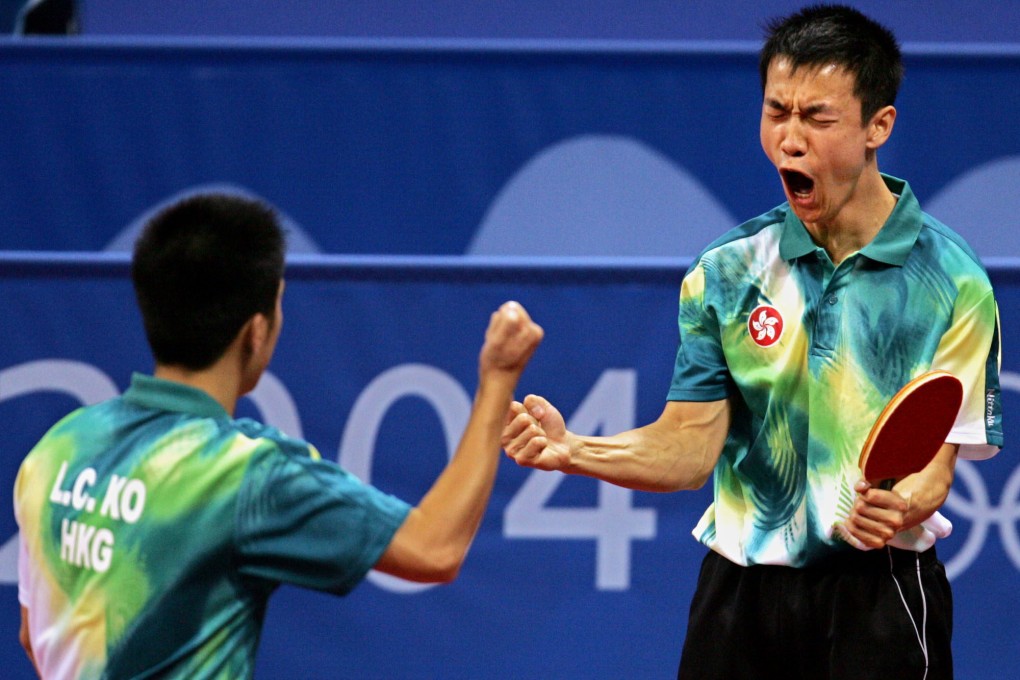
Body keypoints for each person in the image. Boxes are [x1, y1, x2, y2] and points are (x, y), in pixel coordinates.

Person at [501, 5, 1002, 680]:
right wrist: (574, 451)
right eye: (776, 112)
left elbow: (934, 465)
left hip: (877, 592)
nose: (789, 140)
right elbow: (688, 445)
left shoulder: (952, 280)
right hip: (739, 596)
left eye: (817, 118)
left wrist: (900, 504)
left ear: (878, 125)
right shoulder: (728, 270)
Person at [14, 193, 544, 679]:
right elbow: (434, 548)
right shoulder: (245, 473)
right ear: (257, 330)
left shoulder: (57, 447)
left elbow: (32, 636)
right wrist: (497, 380)